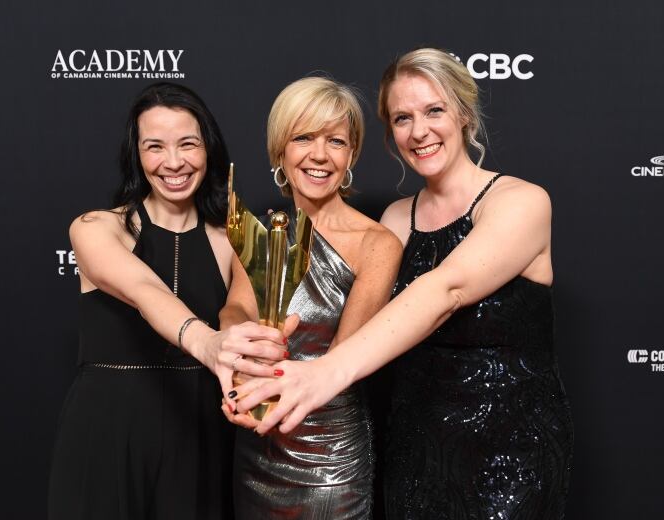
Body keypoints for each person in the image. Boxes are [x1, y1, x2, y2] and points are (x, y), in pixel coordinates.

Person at [236, 49, 575, 519]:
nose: (419, 131)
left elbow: (446, 289)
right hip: (414, 446)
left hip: (506, 450)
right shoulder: (397, 219)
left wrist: (323, 374)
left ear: (463, 113)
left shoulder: (521, 202)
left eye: (434, 110)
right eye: (402, 118)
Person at [48, 82, 288, 520]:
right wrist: (208, 343)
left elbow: (238, 313)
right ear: (136, 154)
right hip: (106, 431)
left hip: (197, 435)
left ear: (209, 150)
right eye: (155, 146)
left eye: (188, 144)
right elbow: (146, 291)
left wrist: (242, 354)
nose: (173, 162)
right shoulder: (97, 228)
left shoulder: (236, 239)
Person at [221, 76, 402, 519]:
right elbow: (237, 307)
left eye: (335, 141)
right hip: (258, 445)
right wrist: (236, 353)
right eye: (303, 138)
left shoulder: (377, 243)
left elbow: (346, 353)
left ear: (351, 153)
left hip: (329, 456)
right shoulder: (265, 233)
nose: (319, 155)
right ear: (280, 150)